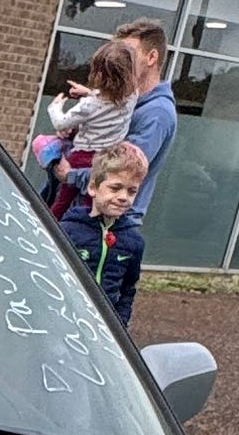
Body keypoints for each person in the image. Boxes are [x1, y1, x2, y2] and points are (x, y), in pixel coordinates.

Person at [102, 18, 180, 311]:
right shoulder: (127, 103)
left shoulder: (157, 113)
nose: (120, 60)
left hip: (113, 224)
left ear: (152, 57)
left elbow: (122, 170)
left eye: (129, 54)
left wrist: (70, 173)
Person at [34, 35, 142, 220]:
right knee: (90, 199)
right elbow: (111, 98)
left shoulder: (90, 105)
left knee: (63, 199)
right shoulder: (132, 96)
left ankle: (50, 223)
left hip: (82, 156)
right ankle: (86, 222)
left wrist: (54, 107)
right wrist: (88, 92)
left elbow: (61, 123)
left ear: (98, 74)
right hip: (106, 157)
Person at [57, 140, 149, 316]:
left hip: (105, 325)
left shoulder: (134, 241)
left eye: (131, 191)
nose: (123, 197)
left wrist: (120, 323)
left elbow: (128, 288)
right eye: (115, 188)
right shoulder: (66, 231)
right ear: (93, 187)